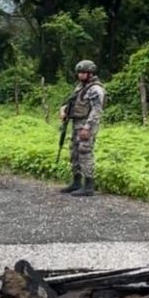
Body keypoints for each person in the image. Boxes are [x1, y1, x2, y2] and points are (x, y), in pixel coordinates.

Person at [59, 60, 106, 197]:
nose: (80, 75)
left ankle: (89, 186)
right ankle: (76, 182)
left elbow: (96, 111)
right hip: (76, 124)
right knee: (74, 152)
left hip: (86, 125)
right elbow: (71, 102)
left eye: (83, 72)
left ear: (90, 73)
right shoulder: (80, 87)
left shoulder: (95, 89)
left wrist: (87, 128)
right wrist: (63, 110)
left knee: (85, 153)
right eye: (79, 72)